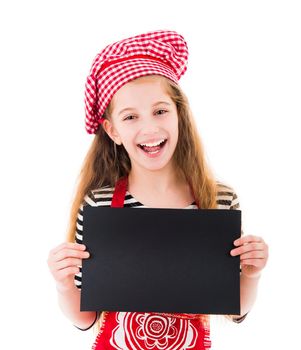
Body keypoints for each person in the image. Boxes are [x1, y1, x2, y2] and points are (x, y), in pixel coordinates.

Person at [47, 30, 269, 349]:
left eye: (160, 111)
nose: (149, 128)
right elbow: (87, 318)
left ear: (179, 113)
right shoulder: (100, 205)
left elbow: (235, 310)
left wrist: (252, 273)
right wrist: (63, 283)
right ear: (113, 131)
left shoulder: (219, 201)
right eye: (131, 117)